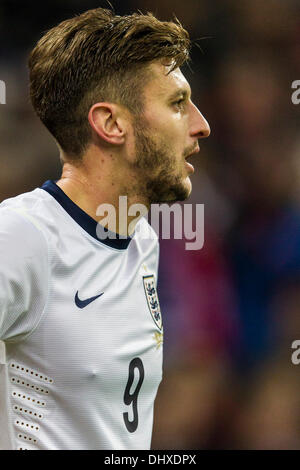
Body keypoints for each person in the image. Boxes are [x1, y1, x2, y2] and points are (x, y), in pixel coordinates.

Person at [0, 7, 210, 450]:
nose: (201, 125)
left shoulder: (142, 241)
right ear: (111, 124)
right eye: (177, 103)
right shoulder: (23, 237)